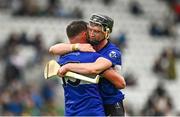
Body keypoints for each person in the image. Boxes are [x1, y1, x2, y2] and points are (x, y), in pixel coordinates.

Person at [50, 14, 126, 116]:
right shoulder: (88, 44)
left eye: (97, 31)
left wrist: (68, 66)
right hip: (93, 102)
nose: (92, 34)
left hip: (110, 102)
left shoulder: (112, 52)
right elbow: (53, 49)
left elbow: (95, 69)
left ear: (107, 33)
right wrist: (77, 46)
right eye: (90, 30)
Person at [57, 20, 113, 116]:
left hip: (71, 111)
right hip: (91, 111)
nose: (91, 34)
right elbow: (120, 82)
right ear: (84, 34)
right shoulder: (92, 56)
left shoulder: (62, 58)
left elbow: (53, 49)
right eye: (89, 31)